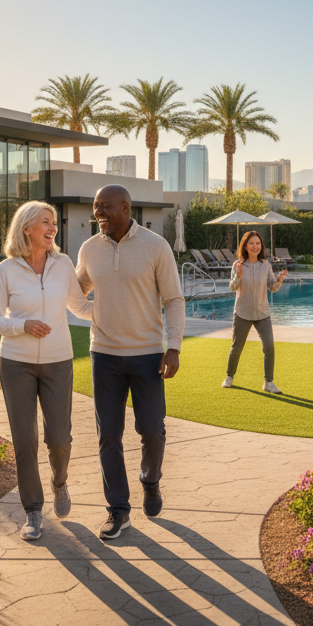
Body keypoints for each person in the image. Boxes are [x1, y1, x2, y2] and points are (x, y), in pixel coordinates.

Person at [76, 185, 185, 541]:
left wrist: (175, 347)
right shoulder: (89, 249)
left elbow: (173, 299)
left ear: (126, 207)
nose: (98, 213)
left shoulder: (156, 246)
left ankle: (150, 481)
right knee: (108, 434)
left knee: (151, 430)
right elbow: (76, 292)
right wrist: (94, 313)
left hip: (148, 354)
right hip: (103, 354)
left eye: (105, 207)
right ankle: (118, 510)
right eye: (95, 208)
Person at [0, 201, 93, 542]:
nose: (52, 228)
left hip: (59, 361)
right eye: (45, 222)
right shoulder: (6, 270)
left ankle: (59, 482)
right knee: (24, 440)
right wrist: (22, 325)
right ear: (27, 228)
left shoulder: (63, 265)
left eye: (54, 223)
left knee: (59, 438)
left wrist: (119, 301)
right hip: (16, 363)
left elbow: (80, 307)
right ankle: (32, 510)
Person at [221, 231, 287, 393]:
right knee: (236, 347)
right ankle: (229, 376)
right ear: (245, 245)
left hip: (262, 313)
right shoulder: (238, 265)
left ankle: (268, 382)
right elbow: (232, 287)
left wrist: (279, 280)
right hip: (242, 312)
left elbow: (272, 287)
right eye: (251, 243)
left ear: (261, 246)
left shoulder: (266, 265)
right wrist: (238, 276)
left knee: (269, 347)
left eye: (257, 243)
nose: (255, 246)